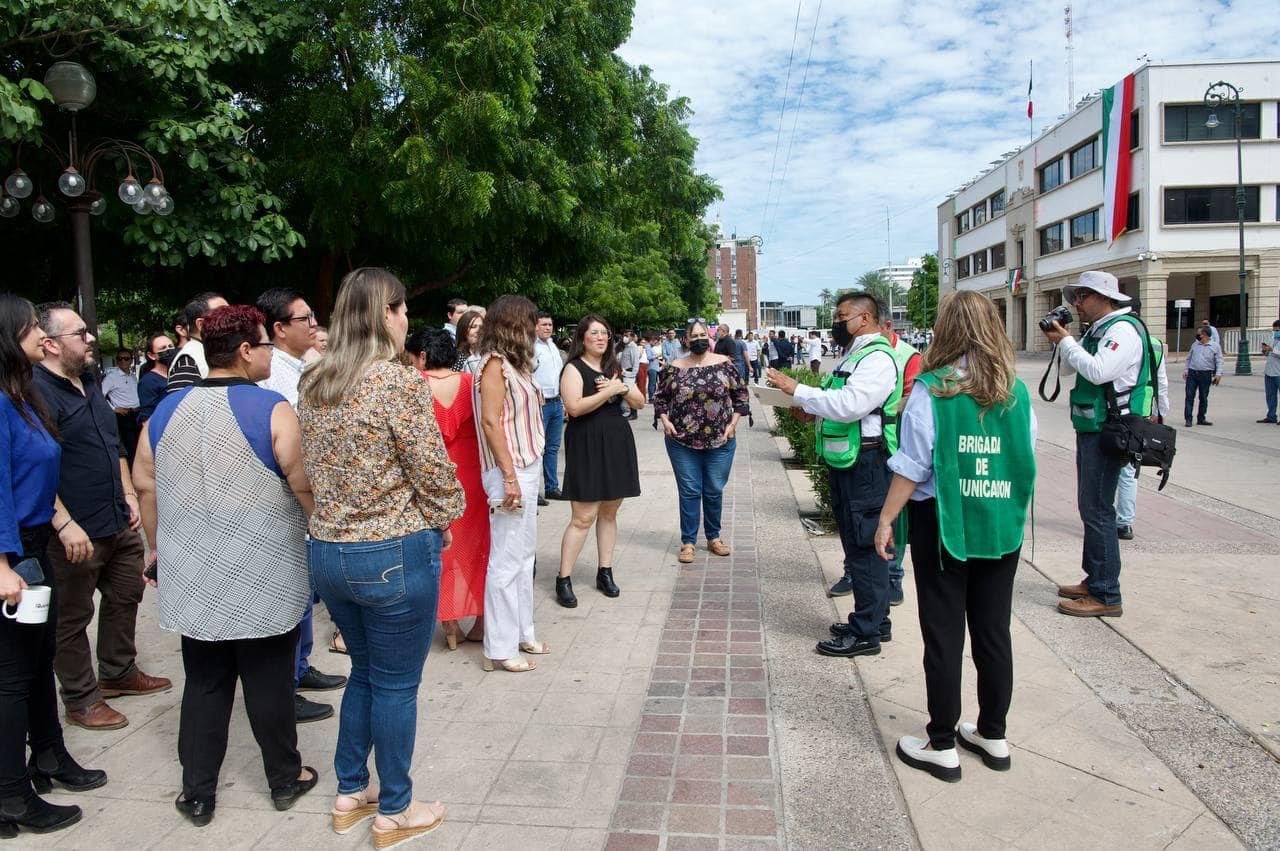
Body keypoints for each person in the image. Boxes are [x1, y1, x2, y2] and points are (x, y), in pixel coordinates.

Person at [133, 304, 318, 826]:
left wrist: (158, 547)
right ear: (244, 351)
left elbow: (145, 483)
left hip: (194, 572)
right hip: (264, 570)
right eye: (263, 346)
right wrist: (319, 528)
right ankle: (284, 778)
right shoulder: (272, 408)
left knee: (205, 681)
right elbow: (300, 481)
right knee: (268, 680)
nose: (267, 355)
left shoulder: (167, 410)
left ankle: (197, 792)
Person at [299, 268, 460, 844]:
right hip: (392, 549)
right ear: (384, 314)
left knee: (365, 672)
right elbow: (431, 466)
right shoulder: (396, 382)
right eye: (401, 309)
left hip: (330, 550)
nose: (407, 318)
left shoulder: (315, 379)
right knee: (395, 684)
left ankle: (351, 791)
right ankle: (395, 808)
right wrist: (446, 515)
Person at [872, 290, 1036, 782]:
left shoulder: (934, 389)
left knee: (943, 633)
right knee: (993, 631)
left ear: (946, 330)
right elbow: (1023, 456)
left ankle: (941, 741)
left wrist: (885, 520)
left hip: (944, 523)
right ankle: (993, 733)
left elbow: (912, 465)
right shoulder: (1014, 391)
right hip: (1000, 523)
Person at [33, 303, 170, 731]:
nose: (91, 338)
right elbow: (34, 464)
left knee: (127, 593)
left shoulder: (89, 380)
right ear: (51, 344)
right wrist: (63, 522)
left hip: (116, 516)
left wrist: (129, 492)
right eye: (80, 333)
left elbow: (114, 445)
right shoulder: (34, 390)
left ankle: (118, 672)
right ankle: (81, 698)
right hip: (73, 530)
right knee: (72, 618)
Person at [0, 294, 106, 838]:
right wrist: (3, 563)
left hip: (35, 542)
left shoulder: (22, 397)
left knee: (36, 664)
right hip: (14, 552)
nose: (41, 337)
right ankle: (11, 795)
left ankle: (48, 758)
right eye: (29, 329)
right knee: (12, 678)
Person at [768, 294, 902, 658]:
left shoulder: (876, 357)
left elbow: (852, 405)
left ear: (864, 318)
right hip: (851, 462)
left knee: (866, 546)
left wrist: (798, 390)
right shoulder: (853, 355)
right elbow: (838, 401)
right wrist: (809, 410)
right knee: (858, 543)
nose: (836, 322)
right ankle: (875, 618)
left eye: (841, 316)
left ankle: (866, 633)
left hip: (868, 465)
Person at [255, 287, 346, 723]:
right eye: (304, 319)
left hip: (309, 490)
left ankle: (301, 667)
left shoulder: (303, 367)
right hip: (291, 495)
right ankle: (285, 685)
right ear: (279, 328)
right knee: (292, 593)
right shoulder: (273, 374)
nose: (314, 325)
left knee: (305, 594)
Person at [1041, 270, 1154, 618]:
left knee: (1099, 510)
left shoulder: (1123, 330)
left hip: (1110, 429)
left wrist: (1067, 342)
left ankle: (1106, 593)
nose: (1076, 304)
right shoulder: (1099, 329)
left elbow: (1099, 371)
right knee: (1090, 507)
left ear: (1103, 296)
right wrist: (1063, 343)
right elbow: (1069, 373)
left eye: (1082, 297)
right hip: (1093, 426)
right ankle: (1095, 579)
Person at [475, 295, 548, 672]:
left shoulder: (516, 366)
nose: (536, 328)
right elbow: (490, 422)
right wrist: (507, 476)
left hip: (526, 465)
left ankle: (522, 630)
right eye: (531, 322)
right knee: (505, 559)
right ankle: (500, 647)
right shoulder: (494, 365)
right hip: (510, 469)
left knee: (524, 555)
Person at [406, 328, 489, 650]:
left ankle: (449, 622)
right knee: (479, 547)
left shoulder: (416, 386)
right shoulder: (470, 384)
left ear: (422, 356)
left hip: (435, 477)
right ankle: (481, 620)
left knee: (443, 550)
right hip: (472, 474)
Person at [554, 316, 643, 607]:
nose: (601, 338)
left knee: (609, 512)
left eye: (605, 333)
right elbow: (575, 408)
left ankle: (605, 571)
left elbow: (639, 402)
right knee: (583, 517)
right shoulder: (573, 368)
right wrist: (608, 390)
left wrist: (622, 388)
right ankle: (563, 578)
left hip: (616, 441)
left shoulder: (612, 367)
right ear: (583, 337)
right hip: (587, 443)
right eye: (595, 333)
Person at [655, 320, 749, 564]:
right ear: (686, 340)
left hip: (721, 439)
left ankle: (713, 537)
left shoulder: (725, 364)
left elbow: (740, 395)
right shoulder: (673, 367)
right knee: (689, 491)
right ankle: (688, 542)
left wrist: (733, 424)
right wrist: (665, 420)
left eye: (702, 335)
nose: (698, 339)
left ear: (709, 338)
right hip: (681, 441)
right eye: (693, 335)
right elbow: (660, 398)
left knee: (714, 489)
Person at [874, 317, 923, 606]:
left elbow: (911, 399)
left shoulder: (908, 355)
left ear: (886, 325)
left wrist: (873, 400)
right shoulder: (861, 351)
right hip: (869, 443)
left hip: (897, 441)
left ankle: (894, 576)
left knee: (897, 514)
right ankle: (858, 574)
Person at [1115, 298, 1170, 541]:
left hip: (1120, 412)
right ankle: (1124, 522)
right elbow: (1162, 382)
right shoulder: (1155, 343)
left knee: (1115, 469)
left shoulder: (1118, 338)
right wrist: (1162, 413)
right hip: (1144, 413)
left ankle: (1115, 519)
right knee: (1129, 469)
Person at [532, 313, 566, 504]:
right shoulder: (532, 347)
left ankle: (552, 487)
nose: (547, 327)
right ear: (535, 326)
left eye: (550, 324)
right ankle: (534, 491)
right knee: (537, 448)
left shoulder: (553, 346)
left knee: (552, 447)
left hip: (556, 402)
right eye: (543, 324)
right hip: (540, 403)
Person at [167, 292, 229, 392]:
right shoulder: (187, 362)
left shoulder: (218, 352)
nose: (233, 319)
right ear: (201, 324)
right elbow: (180, 406)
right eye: (223, 314)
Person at [101, 350, 141, 464]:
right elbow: (100, 395)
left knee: (139, 444)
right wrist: (114, 409)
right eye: (120, 358)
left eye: (126, 358)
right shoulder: (111, 377)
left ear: (131, 361)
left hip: (137, 414)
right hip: (125, 416)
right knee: (130, 446)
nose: (123, 361)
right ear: (116, 361)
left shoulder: (133, 376)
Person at [1183, 326, 1223, 428]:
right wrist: (1186, 370)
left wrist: (1218, 374)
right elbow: (1189, 358)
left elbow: (1219, 361)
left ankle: (1201, 418)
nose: (1198, 335)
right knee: (1189, 396)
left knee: (1203, 397)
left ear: (1205, 335)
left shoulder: (1215, 346)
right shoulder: (1195, 344)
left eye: (1199, 333)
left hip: (1205, 374)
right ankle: (1188, 419)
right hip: (1193, 373)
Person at [136, 332, 175, 425]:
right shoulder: (148, 382)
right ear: (151, 355)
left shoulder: (178, 374)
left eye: (170, 346)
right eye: (163, 348)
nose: (168, 350)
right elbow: (147, 418)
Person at [1259, 319, 1280, 424]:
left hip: (1279, 372)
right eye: (1274, 330)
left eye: (1277, 330)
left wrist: (1272, 349)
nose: (1275, 332)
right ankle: (1271, 415)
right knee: (1270, 395)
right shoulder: (1273, 340)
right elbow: (1269, 354)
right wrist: (1265, 350)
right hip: (1269, 371)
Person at [617, 329, 641, 420]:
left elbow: (635, 362)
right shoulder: (626, 346)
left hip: (629, 372)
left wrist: (632, 374)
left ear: (631, 337)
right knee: (624, 393)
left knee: (630, 393)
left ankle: (634, 413)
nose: (625, 337)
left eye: (627, 335)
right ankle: (628, 412)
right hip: (624, 372)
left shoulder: (633, 347)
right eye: (624, 335)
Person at [453, 309, 484, 374]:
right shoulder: (457, 357)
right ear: (463, 330)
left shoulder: (489, 353)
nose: (478, 330)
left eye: (481, 327)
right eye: (473, 327)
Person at [644, 334, 661, 398]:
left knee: (654, 383)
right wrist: (657, 355)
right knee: (652, 383)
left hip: (654, 367)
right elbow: (649, 357)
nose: (655, 344)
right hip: (651, 367)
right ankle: (651, 397)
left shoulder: (650, 347)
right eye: (655, 342)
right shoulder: (648, 346)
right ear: (652, 340)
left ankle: (653, 396)